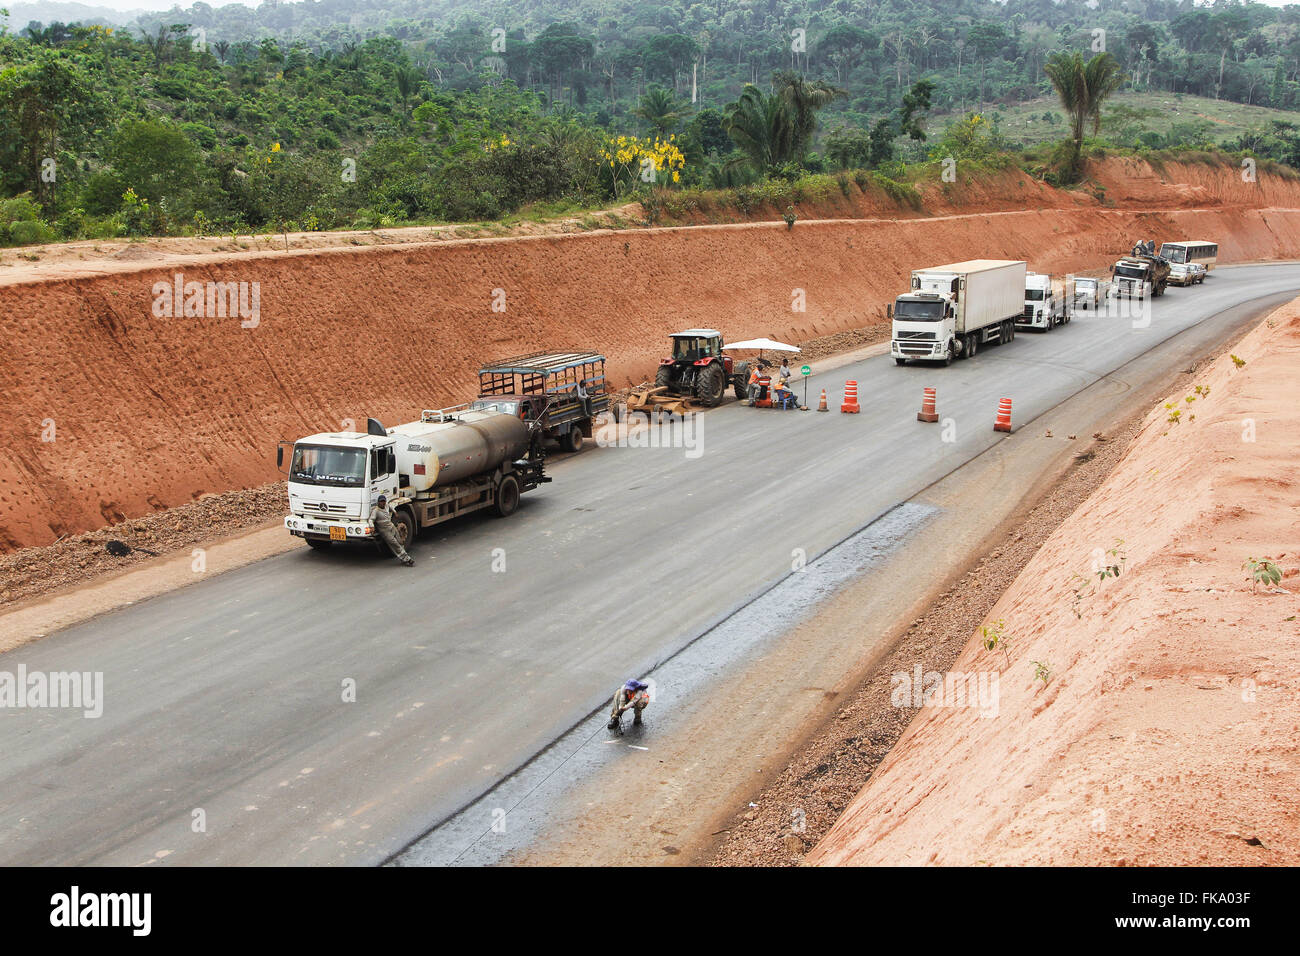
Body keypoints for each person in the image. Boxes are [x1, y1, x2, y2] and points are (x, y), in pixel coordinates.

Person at [369, 494, 414, 566]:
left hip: (391, 526)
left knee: (400, 541)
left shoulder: (386, 506)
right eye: (381, 502)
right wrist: (371, 526)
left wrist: (395, 512)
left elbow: (391, 508)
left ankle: (403, 557)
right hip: (384, 530)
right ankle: (406, 558)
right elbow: (371, 519)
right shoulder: (376, 511)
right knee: (394, 543)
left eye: (384, 501)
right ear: (378, 502)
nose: (383, 503)